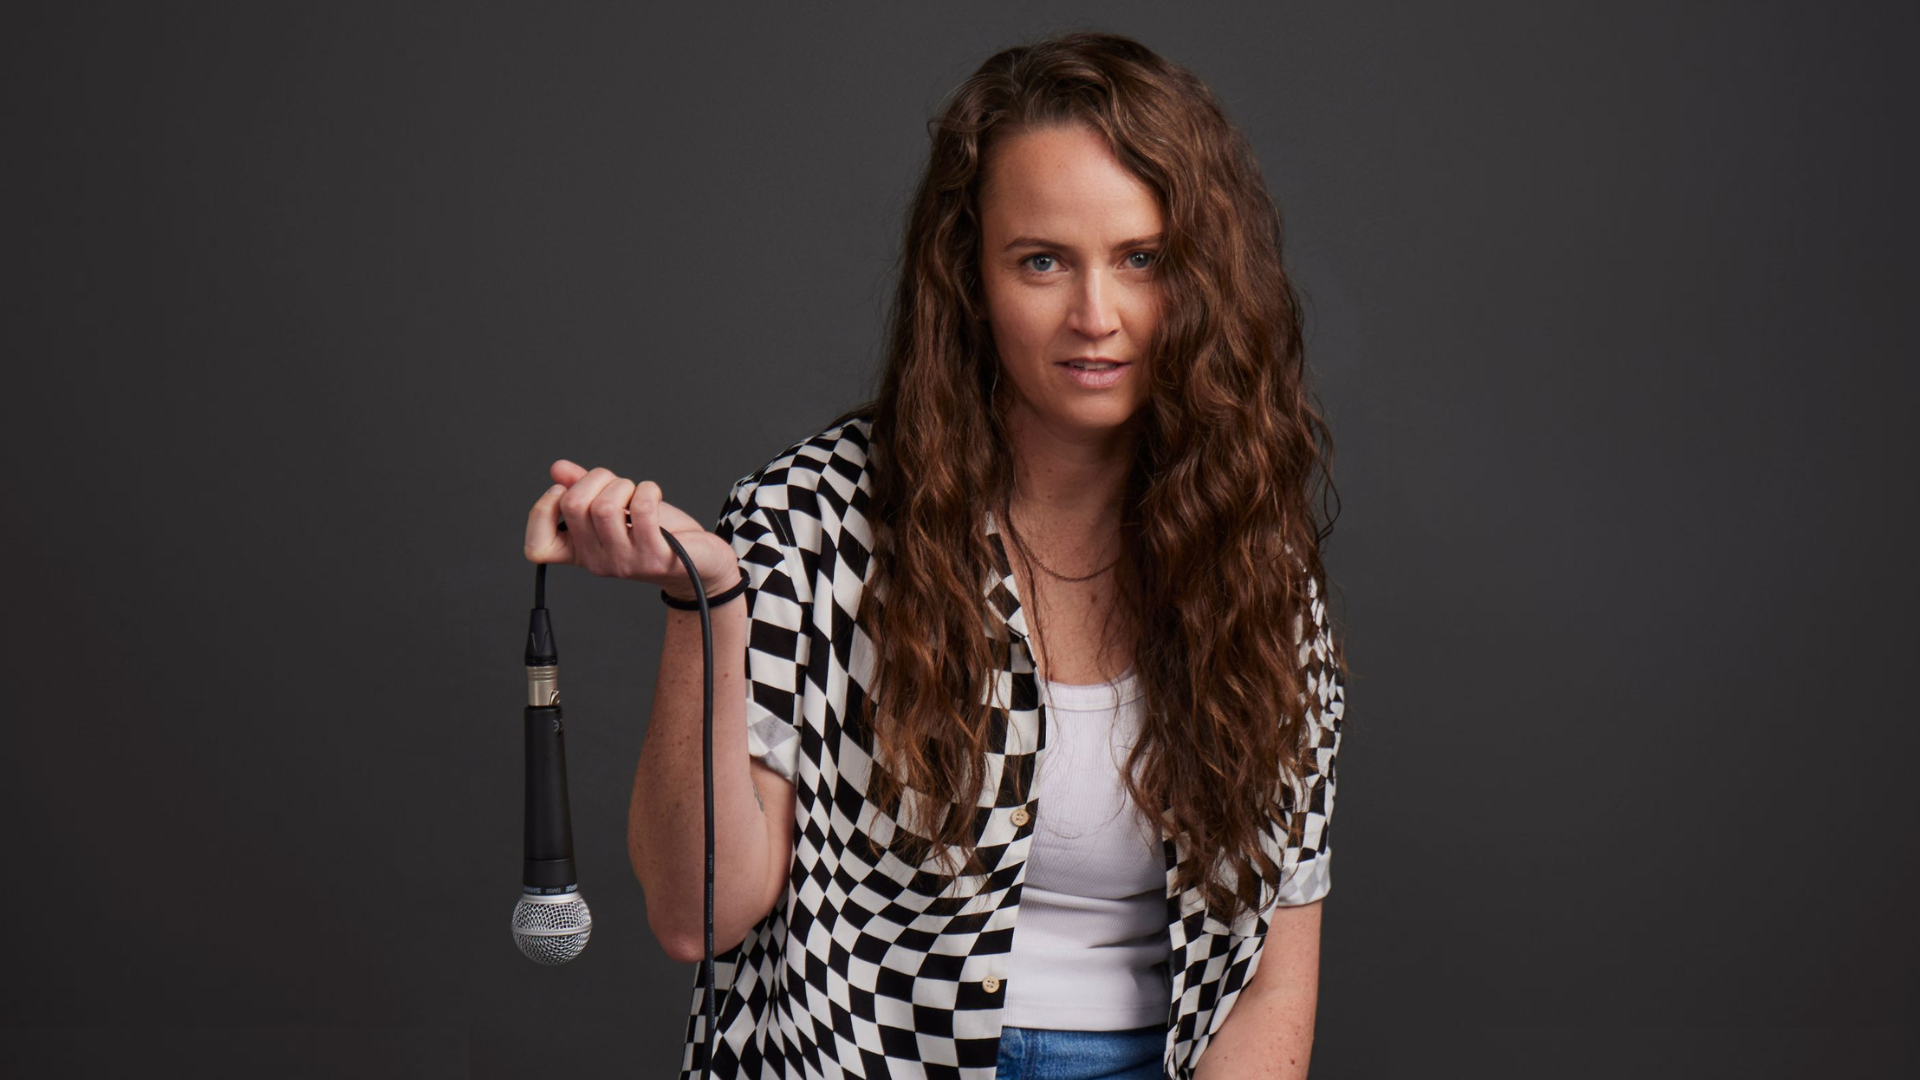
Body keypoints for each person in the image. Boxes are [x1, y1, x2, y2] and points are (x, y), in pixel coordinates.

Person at [523, 31, 1347, 1080]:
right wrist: (711, 606)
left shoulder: (1254, 556)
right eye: (1042, 261)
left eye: (1141, 259)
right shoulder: (811, 517)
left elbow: (1274, 979)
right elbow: (698, 914)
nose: (1096, 317)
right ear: (969, 276)